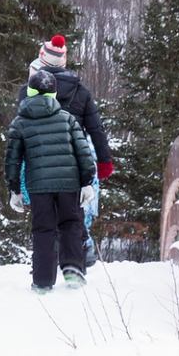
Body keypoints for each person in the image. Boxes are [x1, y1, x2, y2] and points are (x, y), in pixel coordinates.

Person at [5, 68, 97, 293]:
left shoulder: (20, 123)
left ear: (30, 93)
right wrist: (87, 182)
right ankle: (73, 269)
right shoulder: (67, 119)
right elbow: (83, 152)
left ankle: (43, 280)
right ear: (54, 95)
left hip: (39, 187)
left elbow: (12, 159)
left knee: (43, 230)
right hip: (69, 183)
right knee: (71, 224)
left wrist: (14, 189)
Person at [28, 35, 115, 262]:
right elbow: (96, 129)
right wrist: (104, 161)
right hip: (74, 157)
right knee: (73, 209)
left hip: (40, 158)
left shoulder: (31, 90)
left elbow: (22, 126)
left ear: (43, 59)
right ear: (64, 61)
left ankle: (48, 259)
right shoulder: (80, 91)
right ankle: (79, 253)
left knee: (46, 210)